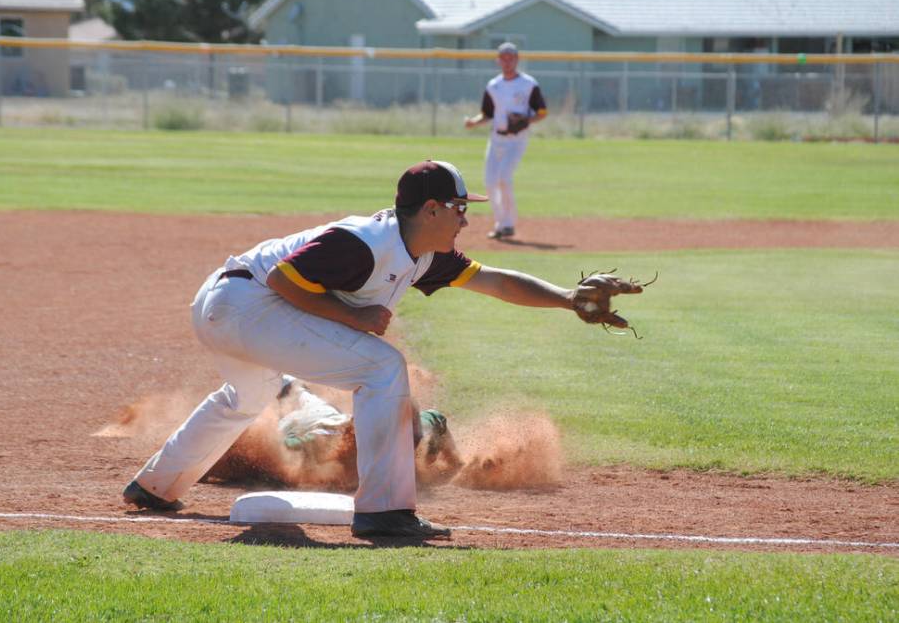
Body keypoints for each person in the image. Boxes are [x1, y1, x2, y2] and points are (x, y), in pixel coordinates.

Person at [123, 160, 584, 539]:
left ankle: (155, 487)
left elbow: (498, 282)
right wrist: (356, 318)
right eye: (459, 207)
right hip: (243, 305)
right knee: (382, 367)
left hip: (225, 306)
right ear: (430, 209)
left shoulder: (426, 254)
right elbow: (283, 280)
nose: (466, 218)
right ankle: (384, 511)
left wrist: (569, 299)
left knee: (248, 395)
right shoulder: (364, 243)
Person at [464, 42, 548, 240]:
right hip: (496, 138)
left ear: (517, 60)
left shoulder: (528, 84)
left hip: (517, 140)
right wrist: (473, 123)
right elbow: (486, 113)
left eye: (511, 57)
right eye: (504, 57)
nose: (507, 61)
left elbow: (542, 112)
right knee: (490, 182)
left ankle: (509, 224)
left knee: (503, 178)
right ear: (498, 60)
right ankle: (501, 223)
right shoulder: (494, 86)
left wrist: (526, 120)